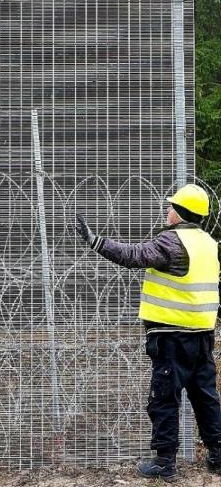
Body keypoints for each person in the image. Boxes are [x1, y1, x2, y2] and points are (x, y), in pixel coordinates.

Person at [76, 184, 221, 481]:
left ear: (180, 212)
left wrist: (96, 241)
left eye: (171, 206)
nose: (167, 210)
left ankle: (165, 462)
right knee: (205, 397)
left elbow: (135, 256)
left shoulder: (172, 241)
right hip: (202, 333)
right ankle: (218, 455)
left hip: (172, 337)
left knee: (165, 398)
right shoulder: (208, 242)